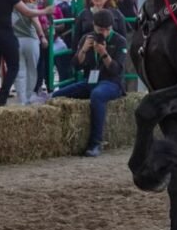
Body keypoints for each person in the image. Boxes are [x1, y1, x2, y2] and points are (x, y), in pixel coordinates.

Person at [50, 9, 127, 157]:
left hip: (112, 83)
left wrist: (104, 54)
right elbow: (76, 65)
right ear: (94, 26)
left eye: (107, 30)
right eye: (100, 30)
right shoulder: (87, 38)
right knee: (57, 95)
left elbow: (116, 70)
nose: (103, 33)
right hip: (91, 81)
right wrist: (83, 51)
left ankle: (95, 143)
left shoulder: (119, 41)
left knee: (97, 95)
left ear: (112, 28)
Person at [12, 0, 46, 105]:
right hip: (31, 41)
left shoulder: (13, 7)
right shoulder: (31, 7)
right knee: (32, 69)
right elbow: (36, 22)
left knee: (20, 70)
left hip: (16, 41)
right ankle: (28, 95)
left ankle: (21, 98)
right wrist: (42, 37)